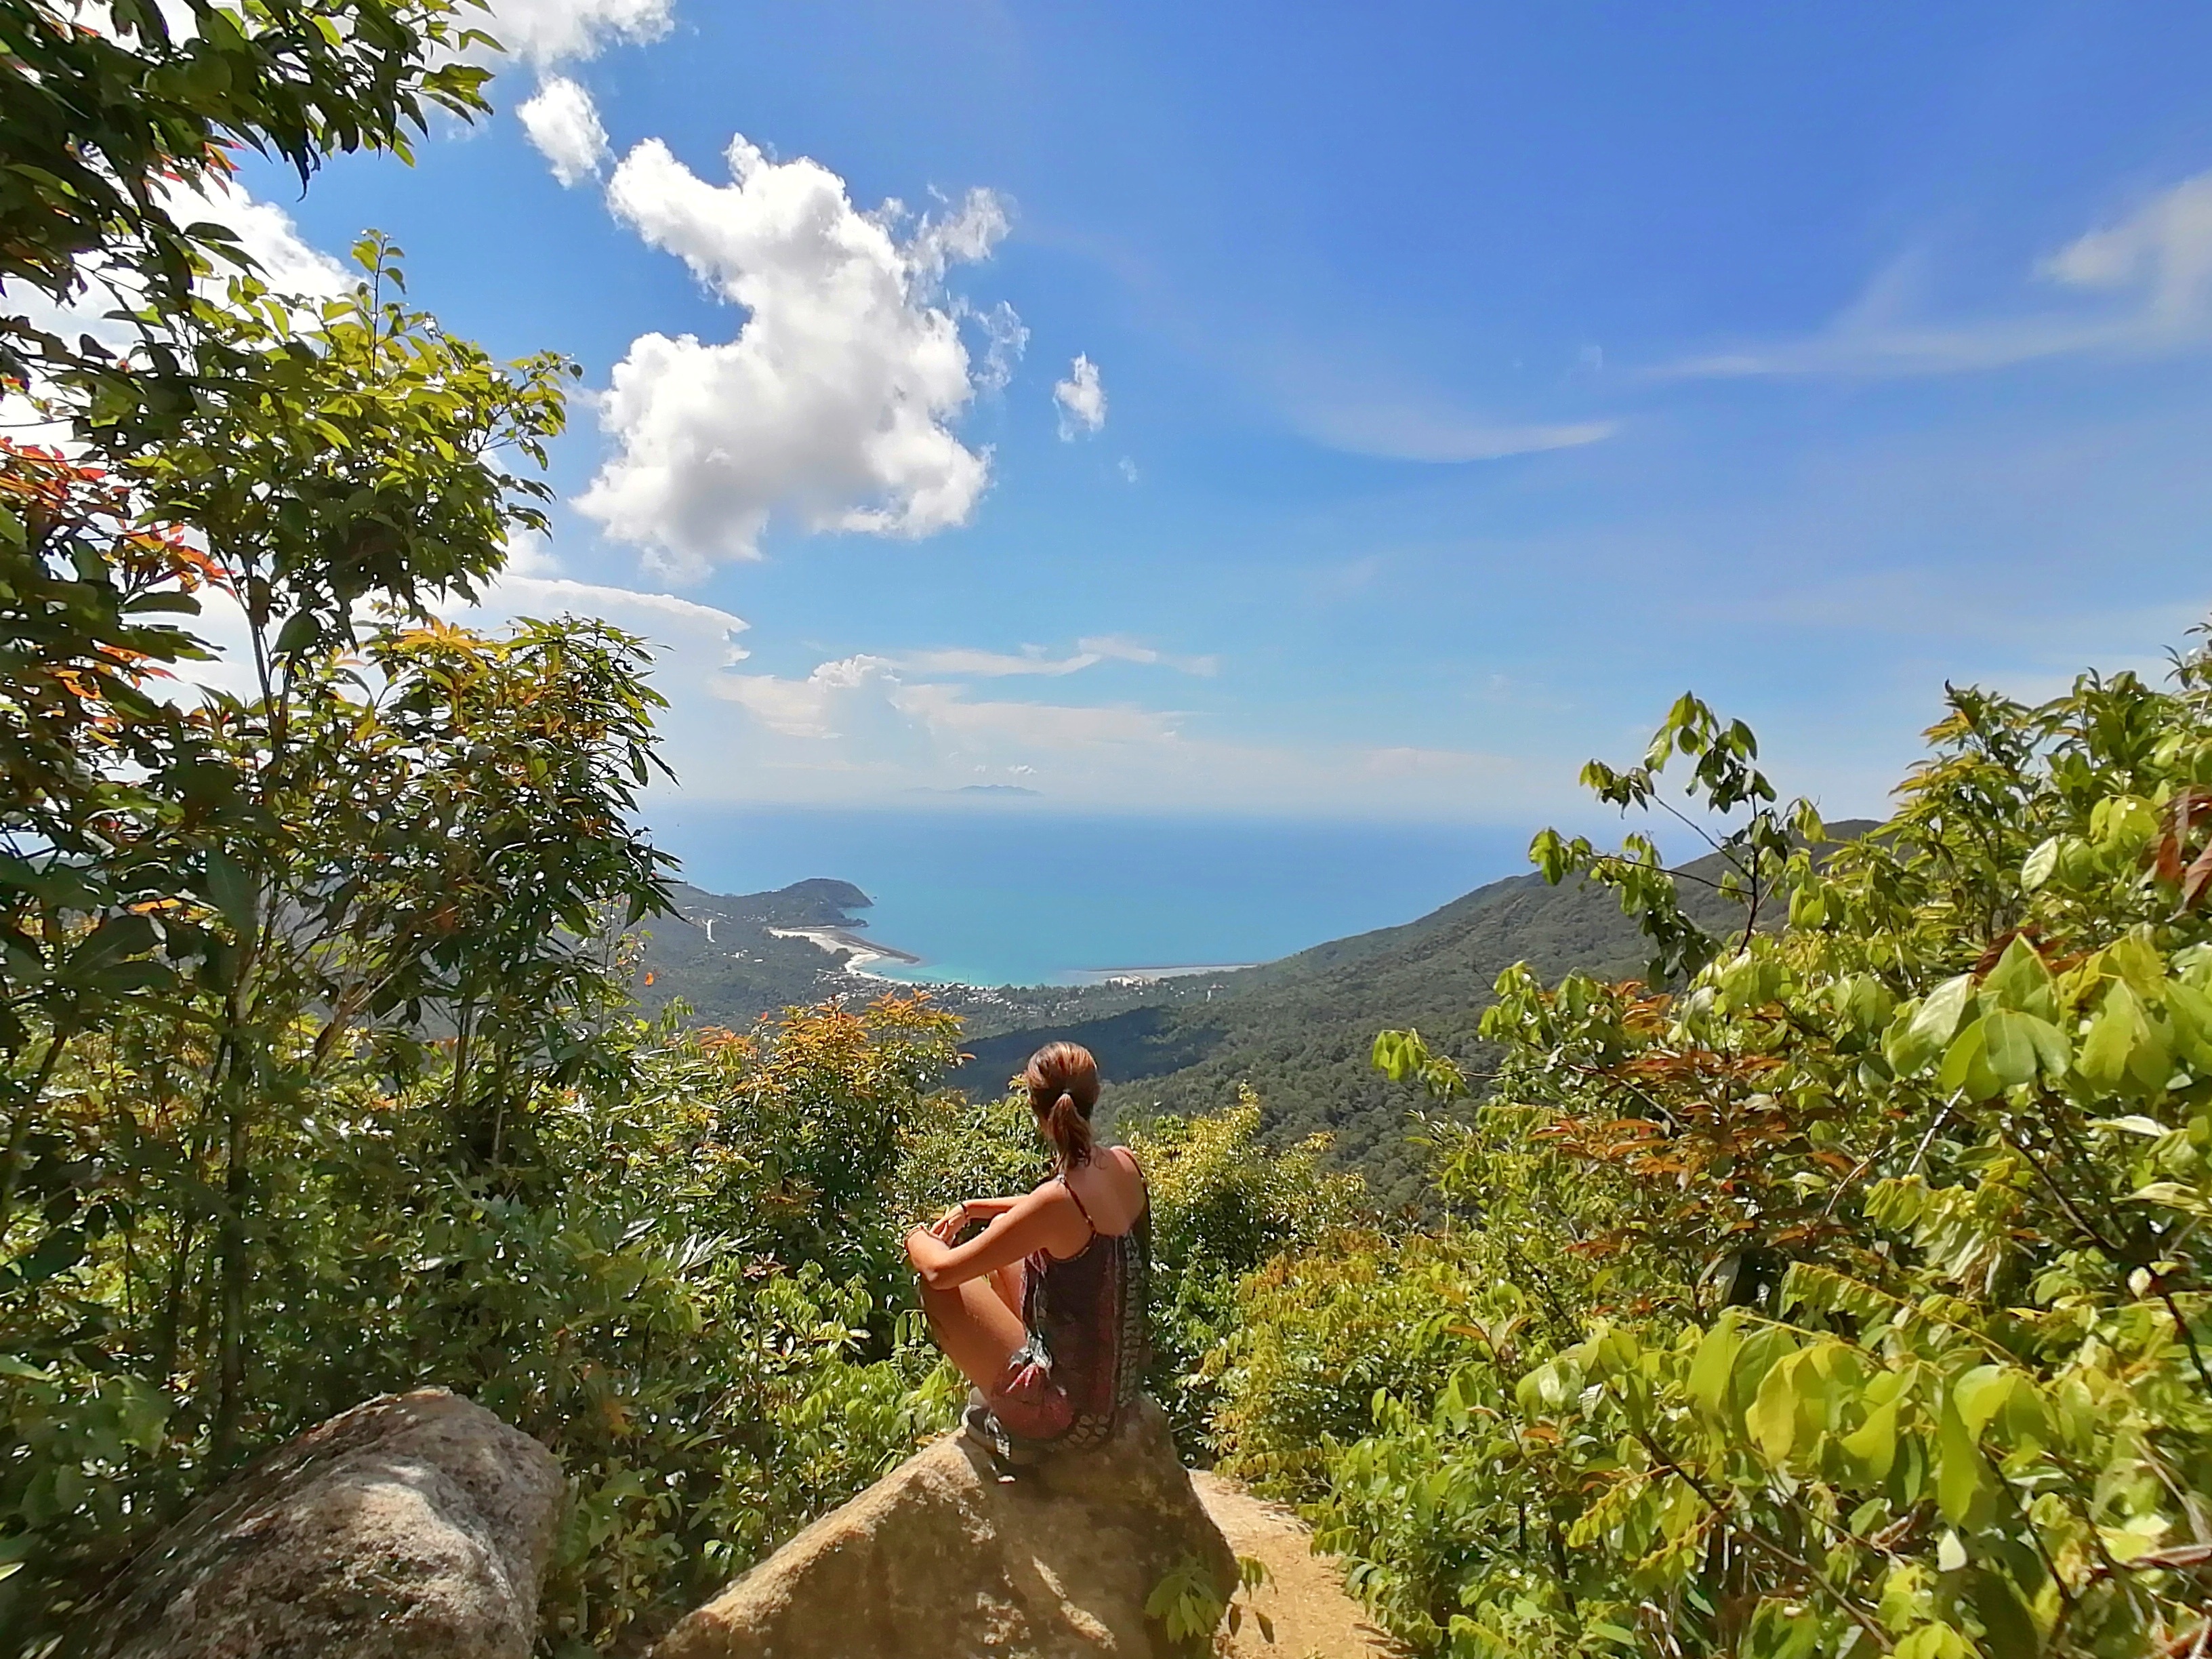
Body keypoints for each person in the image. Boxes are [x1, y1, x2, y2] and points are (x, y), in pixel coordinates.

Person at [904, 1041, 1151, 1462]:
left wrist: (916, 1236)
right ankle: (1015, 1371)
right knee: (1003, 1234)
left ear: (1036, 1108)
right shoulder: (1124, 1164)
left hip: (1072, 1423)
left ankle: (1015, 1426)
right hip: (1118, 1394)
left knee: (935, 1285)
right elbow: (1046, 1211)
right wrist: (975, 1210)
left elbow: (941, 1272)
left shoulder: (1059, 1201)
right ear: (1095, 1095)